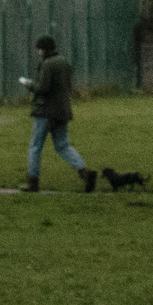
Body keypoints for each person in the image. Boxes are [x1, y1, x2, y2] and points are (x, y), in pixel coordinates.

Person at [25, 35, 91, 193]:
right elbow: (68, 86)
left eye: (39, 50)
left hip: (46, 112)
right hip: (63, 110)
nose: (38, 53)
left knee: (35, 147)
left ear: (43, 50)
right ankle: (84, 171)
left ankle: (32, 182)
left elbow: (43, 88)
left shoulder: (47, 64)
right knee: (63, 145)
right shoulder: (64, 62)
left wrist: (29, 84)